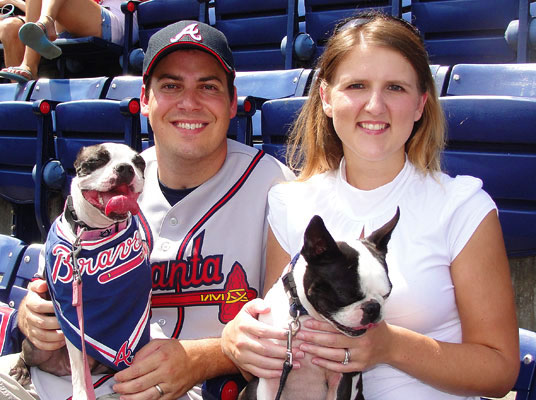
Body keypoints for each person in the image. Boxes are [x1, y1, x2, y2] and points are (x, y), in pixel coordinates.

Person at [221, 11, 520, 399]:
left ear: (420, 104)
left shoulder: (463, 207)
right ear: (326, 98)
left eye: (395, 88)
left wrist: (391, 347)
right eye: (357, 85)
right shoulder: (289, 201)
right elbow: (280, 332)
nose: (375, 106)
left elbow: (499, 371)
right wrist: (239, 342)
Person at [0, 20, 293, 399]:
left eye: (208, 86)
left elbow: (288, 330)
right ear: (145, 99)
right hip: (80, 377)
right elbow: (51, 288)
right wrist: (32, 316)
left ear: (233, 101)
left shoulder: (277, 188)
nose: (189, 102)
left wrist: (204, 357)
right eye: (171, 86)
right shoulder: (106, 182)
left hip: (201, 388)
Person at [0, 0, 136, 82]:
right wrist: (16, 3)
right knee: (9, 28)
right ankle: (21, 102)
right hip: (73, 19)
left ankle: (29, 65)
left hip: (119, 18)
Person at [0, 0, 25, 70]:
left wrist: (14, 1)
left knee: (10, 26)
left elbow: (42, 15)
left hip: (25, 23)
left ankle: (16, 79)